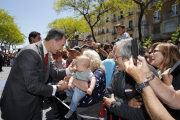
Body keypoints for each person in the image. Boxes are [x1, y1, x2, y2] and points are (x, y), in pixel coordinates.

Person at [0, 28, 74, 120]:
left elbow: (54, 72)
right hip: (19, 105)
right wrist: (59, 88)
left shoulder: (47, 53)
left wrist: (72, 70)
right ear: (53, 42)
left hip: (35, 102)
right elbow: (32, 85)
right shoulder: (30, 52)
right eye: (62, 45)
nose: (63, 48)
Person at [103, 38, 158, 120]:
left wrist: (114, 104)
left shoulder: (148, 73)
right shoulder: (119, 71)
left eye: (116, 56)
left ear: (128, 58)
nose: (114, 59)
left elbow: (143, 114)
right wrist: (126, 103)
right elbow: (107, 94)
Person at [58, 49, 106, 119]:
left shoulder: (99, 71)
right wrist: (66, 84)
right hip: (80, 110)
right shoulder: (82, 72)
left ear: (92, 60)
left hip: (91, 113)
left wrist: (73, 80)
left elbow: (88, 86)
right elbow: (76, 88)